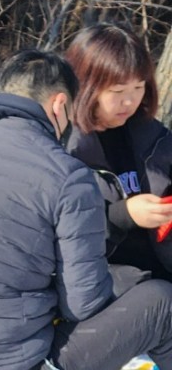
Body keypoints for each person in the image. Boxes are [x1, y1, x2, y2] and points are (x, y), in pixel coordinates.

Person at [0, 49, 172, 370]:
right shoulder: (66, 174)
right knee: (162, 303)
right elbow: (84, 303)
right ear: (59, 104)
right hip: (1, 362)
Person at [64, 22, 172, 280]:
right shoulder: (63, 148)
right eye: (118, 91)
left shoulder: (150, 133)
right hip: (105, 278)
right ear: (86, 87)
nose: (129, 101)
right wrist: (123, 215)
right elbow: (58, 231)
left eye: (139, 87)